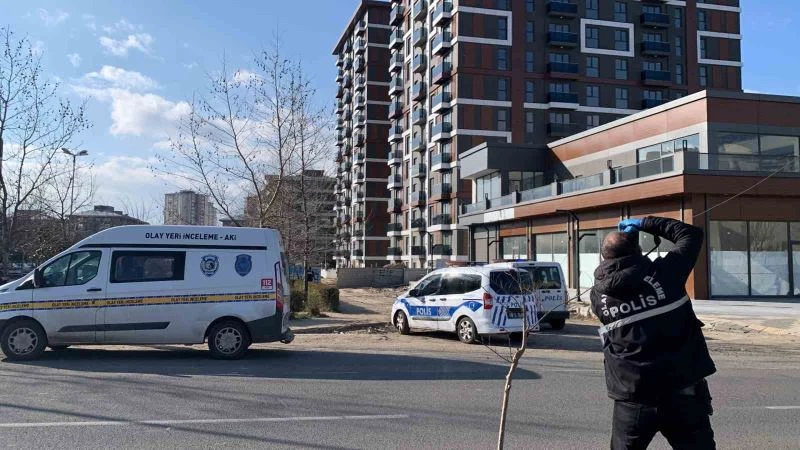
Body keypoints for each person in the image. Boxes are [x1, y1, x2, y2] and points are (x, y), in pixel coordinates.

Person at [590, 216, 716, 450]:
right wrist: (646, 223)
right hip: (683, 391)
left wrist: (632, 250)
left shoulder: (598, 296)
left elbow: (625, 280)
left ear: (604, 258)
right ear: (639, 250)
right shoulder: (666, 273)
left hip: (634, 396)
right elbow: (690, 234)